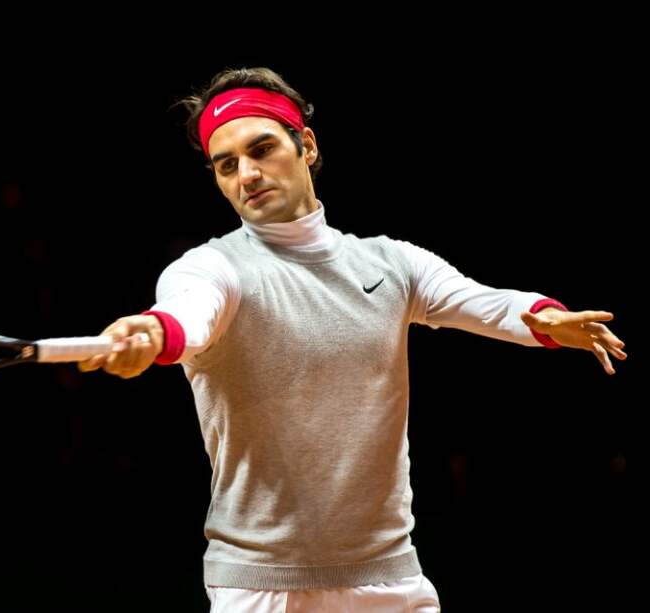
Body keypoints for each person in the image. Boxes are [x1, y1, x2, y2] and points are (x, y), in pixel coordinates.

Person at [77, 67, 627, 612]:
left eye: (261, 149)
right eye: (227, 165)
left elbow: (484, 302)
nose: (246, 174)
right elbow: (186, 315)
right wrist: (152, 332)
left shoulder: (392, 262)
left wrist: (543, 316)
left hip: (388, 576)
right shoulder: (212, 268)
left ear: (306, 146)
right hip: (260, 584)